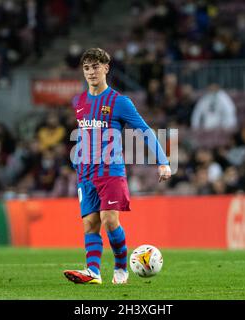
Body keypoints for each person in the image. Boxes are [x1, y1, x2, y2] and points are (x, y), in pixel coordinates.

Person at [63, 48, 171, 285]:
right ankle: (93, 272)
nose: (91, 72)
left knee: (109, 219)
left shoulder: (120, 102)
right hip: (86, 173)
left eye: (95, 67)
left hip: (111, 171)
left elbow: (144, 130)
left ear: (106, 68)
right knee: (89, 223)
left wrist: (163, 161)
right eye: (87, 68)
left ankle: (121, 267)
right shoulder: (79, 101)